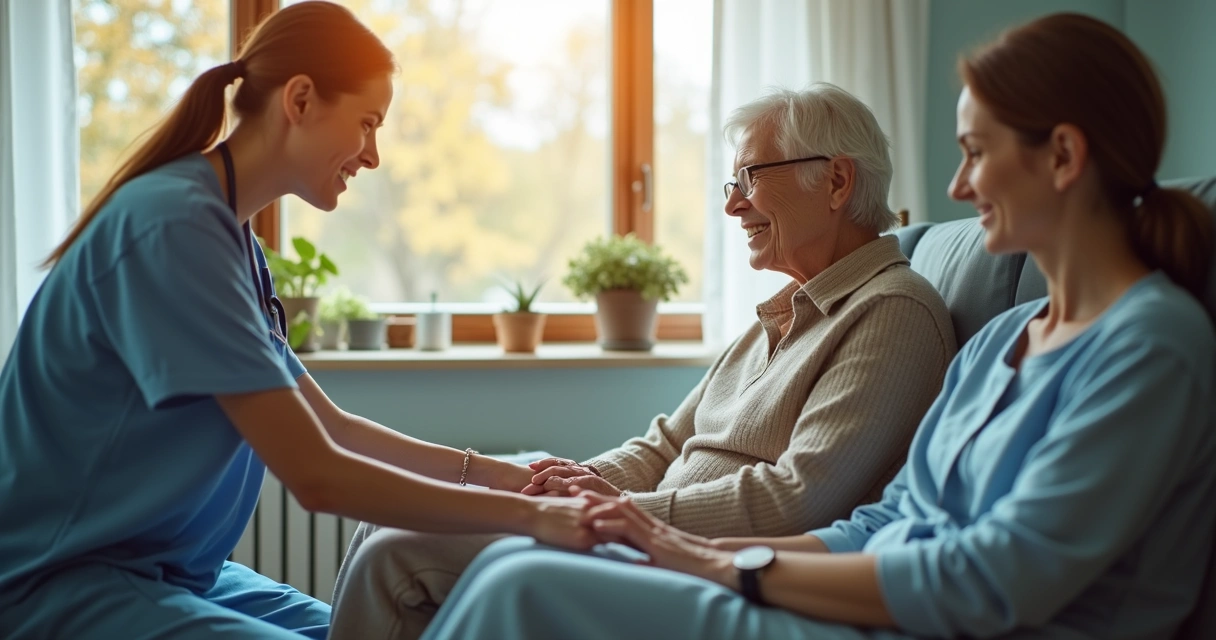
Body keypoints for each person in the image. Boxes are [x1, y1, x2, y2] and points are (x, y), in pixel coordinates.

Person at [414, 13, 1216, 640]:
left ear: (1064, 157)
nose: (956, 185)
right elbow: (884, 521)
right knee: (509, 570)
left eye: (975, 151)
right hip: (872, 602)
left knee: (522, 582)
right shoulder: (1000, 340)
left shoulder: (1150, 348)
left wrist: (716, 563)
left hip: (930, 623)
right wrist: (686, 550)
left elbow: (988, 579)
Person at [0, 4, 595, 639]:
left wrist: (509, 479)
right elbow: (317, 475)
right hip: (66, 580)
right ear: (301, 100)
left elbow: (332, 428)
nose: (373, 156)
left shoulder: (233, 240)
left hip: (176, 575)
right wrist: (530, 518)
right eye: (367, 123)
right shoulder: (172, 226)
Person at [329, 83, 957, 639]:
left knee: (399, 552)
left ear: (837, 182)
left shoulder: (892, 312)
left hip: (702, 560)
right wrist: (571, 481)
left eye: (751, 177)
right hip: (647, 534)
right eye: (732, 184)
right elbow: (664, 446)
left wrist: (619, 516)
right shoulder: (784, 313)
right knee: (387, 524)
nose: (733, 205)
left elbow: (798, 501)